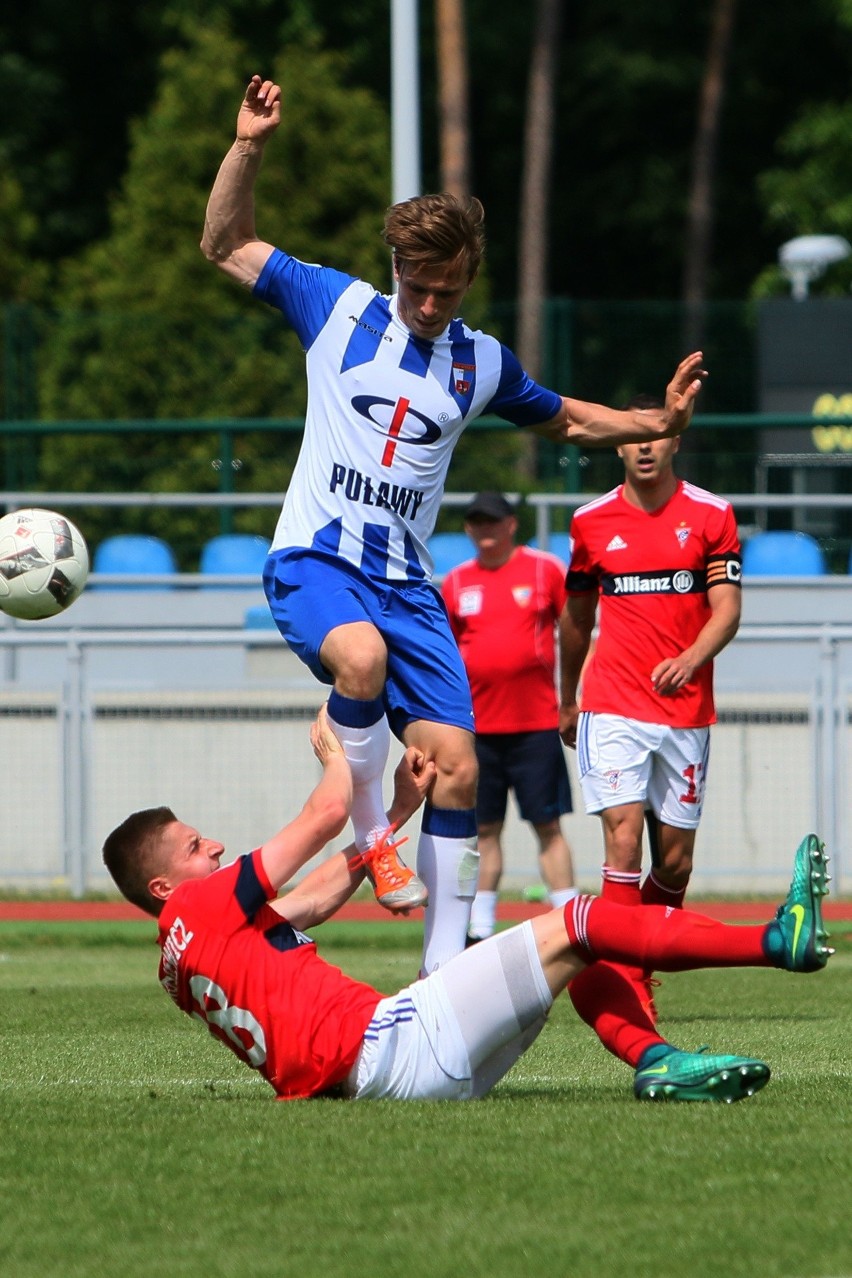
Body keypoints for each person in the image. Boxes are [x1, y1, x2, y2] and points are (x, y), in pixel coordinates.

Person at [201, 74, 708, 976]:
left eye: (448, 289)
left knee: (459, 772)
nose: (432, 304)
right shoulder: (336, 304)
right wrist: (249, 144)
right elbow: (222, 242)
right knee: (359, 661)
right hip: (315, 559)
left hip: (406, 584)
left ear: (469, 277)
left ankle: (441, 979)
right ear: (397, 268)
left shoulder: (480, 361)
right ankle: (370, 832)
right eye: (419, 286)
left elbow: (567, 418)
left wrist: (656, 425)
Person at [101, 706, 833, 1104]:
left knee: (580, 950)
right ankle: (777, 941)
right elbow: (325, 816)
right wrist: (338, 757)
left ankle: (659, 1060)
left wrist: (396, 806)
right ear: (165, 886)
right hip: (397, 1045)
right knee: (578, 919)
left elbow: (311, 900)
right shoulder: (207, 906)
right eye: (197, 847)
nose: (216, 847)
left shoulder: (184, 952)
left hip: (390, 1079)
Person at [559, 396, 742, 1031]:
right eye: (633, 436)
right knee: (622, 837)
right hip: (611, 706)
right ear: (619, 446)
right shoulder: (588, 522)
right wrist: (566, 697)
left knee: (676, 864)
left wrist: (691, 658)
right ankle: (625, 987)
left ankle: (623, 950)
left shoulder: (713, 515)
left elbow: (727, 609)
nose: (644, 446)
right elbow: (575, 620)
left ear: (674, 442)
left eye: (656, 435)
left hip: (686, 711)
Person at [441, 491, 578, 940]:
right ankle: (480, 929)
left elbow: (577, 631)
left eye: (493, 522)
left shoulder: (543, 570)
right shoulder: (458, 583)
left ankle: (572, 923)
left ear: (511, 524)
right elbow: (446, 653)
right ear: (467, 528)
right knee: (484, 831)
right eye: (477, 522)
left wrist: (573, 700)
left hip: (536, 725)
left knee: (548, 826)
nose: (485, 531)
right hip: (478, 729)